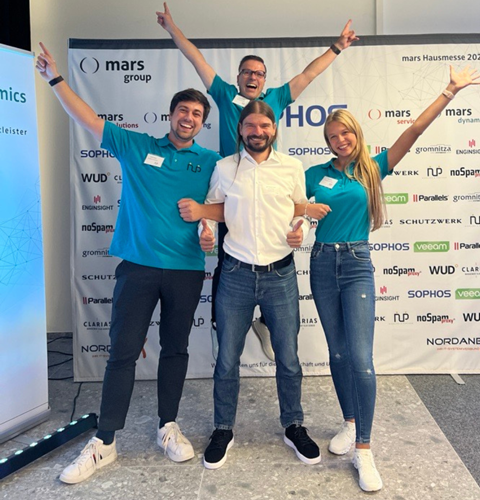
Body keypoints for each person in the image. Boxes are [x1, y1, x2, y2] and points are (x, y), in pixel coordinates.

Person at [36, 43, 222, 484]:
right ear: (170, 115)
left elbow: (227, 206)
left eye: (197, 114)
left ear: (203, 123)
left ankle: (167, 426)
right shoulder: (136, 145)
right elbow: (88, 119)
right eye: (183, 110)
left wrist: (207, 223)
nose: (189, 118)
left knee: (175, 350)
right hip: (137, 268)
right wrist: (55, 80)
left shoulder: (212, 162)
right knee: (122, 353)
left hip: (186, 269)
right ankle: (104, 441)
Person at [298, 65, 480, 492]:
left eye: (345, 133)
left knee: (361, 358)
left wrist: (449, 92)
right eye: (332, 137)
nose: (339, 140)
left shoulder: (372, 168)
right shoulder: (313, 174)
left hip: (356, 263)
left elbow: (413, 131)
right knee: (337, 353)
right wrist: (302, 215)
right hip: (321, 263)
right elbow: (289, 206)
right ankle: (349, 423)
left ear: (356, 133)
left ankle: (364, 449)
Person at [157, 1, 357, 361]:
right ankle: (222, 323)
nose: (253, 77)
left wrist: (337, 47)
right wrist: (173, 29)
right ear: (238, 78)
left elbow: (308, 75)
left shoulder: (276, 98)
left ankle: (265, 320)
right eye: (247, 72)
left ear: (264, 80)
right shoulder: (223, 95)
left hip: (270, 189)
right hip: (231, 189)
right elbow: (196, 59)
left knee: (276, 255)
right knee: (227, 259)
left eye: (259, 73)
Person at [195, 100, 320, 470]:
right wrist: (205, 231)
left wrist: (302, 229)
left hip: (280, 274)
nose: (257, 132)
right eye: (250, 125)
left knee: (288, 357)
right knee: (227, 358)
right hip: (235, 274)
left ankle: (293, 424)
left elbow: (301, 210)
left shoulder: (291, 167)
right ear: (241, 130)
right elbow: (210, 209)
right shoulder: (224, 167)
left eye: (264, 125)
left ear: (274, 129)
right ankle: (223, 429)